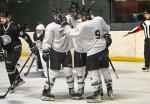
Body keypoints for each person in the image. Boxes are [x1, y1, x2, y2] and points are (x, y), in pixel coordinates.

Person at [57, 6, 113, 102]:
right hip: (103, 49)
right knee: (104, 69)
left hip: (92, 51)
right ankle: (109, 90)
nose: (73, 15)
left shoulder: (83, 25)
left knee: (94, 72)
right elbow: (107, 29)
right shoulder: (99, 19)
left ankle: (97, 94)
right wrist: (106, 35)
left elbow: (70, 33)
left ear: (83, 15)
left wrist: (64, 23)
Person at [41, 8, 75, 101]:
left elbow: (75, 16)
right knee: (54, 73)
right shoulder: (50, 27)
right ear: (53, 16)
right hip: (55, 52)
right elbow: (47, 41)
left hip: (66, 51)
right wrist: (45, 50)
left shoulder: (66, 21)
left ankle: (71, 90)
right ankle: (46, 90)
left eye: (61, 14)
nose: (60, 16)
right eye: (58, 15)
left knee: (69, 71)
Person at [0, 11, 38, 93]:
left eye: (3, 18)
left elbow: (25, 35)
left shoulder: (14, 27)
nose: (1, 19)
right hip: (8, 50)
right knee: (9, 66)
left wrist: (31, 45)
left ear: (8, 18)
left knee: (10, 66)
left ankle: (12, 84)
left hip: (16, 49)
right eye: (0, 18)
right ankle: (18, 79)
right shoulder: (1, 27)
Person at [66, 1, 86, 100]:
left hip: (89, 50)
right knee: (79, 71)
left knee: (95, 71)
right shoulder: (70, 17)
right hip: (78, 50)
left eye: (73, 12)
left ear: (78, 11)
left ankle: (98, 90)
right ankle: (80, 90)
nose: (71, 15)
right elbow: (62, 20)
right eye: (70, 13)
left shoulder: (86, 17)